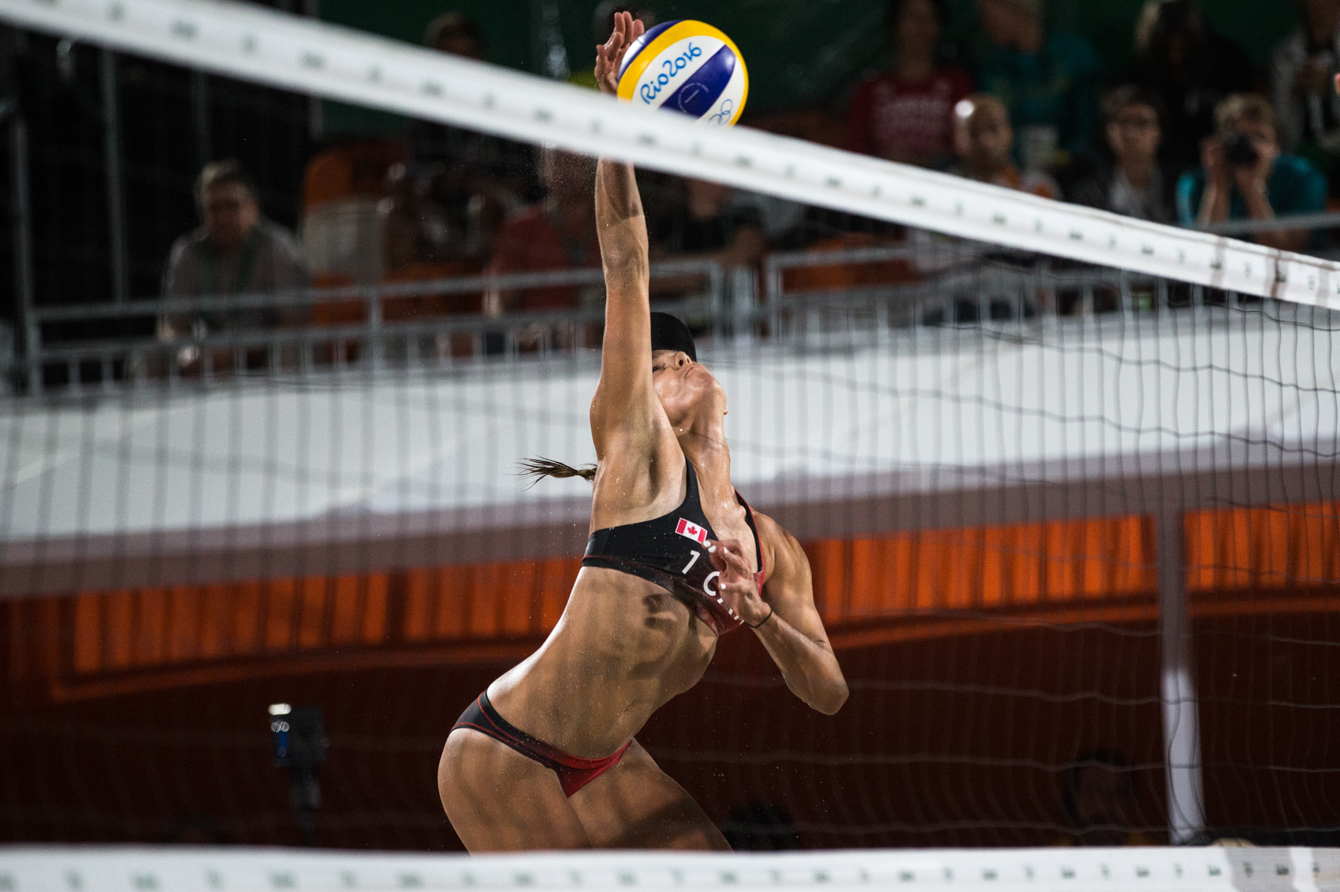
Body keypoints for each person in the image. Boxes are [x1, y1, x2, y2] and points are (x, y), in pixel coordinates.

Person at [437, 13, 849, 851]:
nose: (662, 371)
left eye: (672, 359)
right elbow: (625, 259)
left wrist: (762, 618)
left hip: (606, 758)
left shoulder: (770, 545)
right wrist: (617, 121)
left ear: (704, 375)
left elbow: (830, 693)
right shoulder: (638, 454)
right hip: (507, 750)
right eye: (649, 365)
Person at [160, 160, 309, 369]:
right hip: (207, 354)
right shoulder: (187, 251)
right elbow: (172, 324)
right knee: (145, 358)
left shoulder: (278, 247)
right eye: (213, 208)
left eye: (232, 206)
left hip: (263, 352)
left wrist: (236, 354)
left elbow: (293, 321)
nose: (222, 217)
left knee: (288, 349)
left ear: (254, 208)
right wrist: (185, 354)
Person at [1177, 93, 1328, 253]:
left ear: (1277, 146)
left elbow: (1286, 250)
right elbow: (1202, 254)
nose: (1248, 146)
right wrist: (1217, 185)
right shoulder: (1194, 181)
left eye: (1259, 137)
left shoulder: (1303, 177)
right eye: (1239, 138)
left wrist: (1253, 189)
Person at [1131, 0, 1257, 174]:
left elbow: (1250, 121)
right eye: (1168, 45)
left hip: (1226, 166)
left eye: (1183, 42)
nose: (1176, 54)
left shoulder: (1230, 63)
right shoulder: (1141, 74)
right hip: (1161, 171)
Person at [975, 0, 1103, 171]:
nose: (985, 24)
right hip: (1009, 174)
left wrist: (1061, 160)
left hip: (1072, 171)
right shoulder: (993, 70)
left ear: (1015, 8)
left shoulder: (1074, 56)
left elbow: (1087, 130)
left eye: (987, 14)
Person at [846, 0, 973, 169]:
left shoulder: (957, 85)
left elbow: (970, 151)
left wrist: (925, 163)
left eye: (929, 17)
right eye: (912, 16)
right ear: (895, 24)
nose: (921, 25)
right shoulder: (870, 91)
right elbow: (855, 153)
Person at [1058, 85, 1176, 223]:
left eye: (1142, 123)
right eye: (1123, 122)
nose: (1131, 133)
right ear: (1109, 132)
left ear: (1159, 132)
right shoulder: (1089, 194)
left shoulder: (1182, 187)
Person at [1272, 0, 1340, 196]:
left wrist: (1330, 88)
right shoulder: (1285, 53)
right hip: (1304, 156)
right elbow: (1281, 126)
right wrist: (1295, 92)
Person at [950, 93, 1059, 197]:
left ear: (1009, 133)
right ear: (957, 138)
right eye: (973, 132)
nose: (985, 141)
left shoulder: (1037, 189)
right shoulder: (948, 187)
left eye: (993, 129)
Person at [1057, 750, 1159, 847]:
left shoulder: (1154, 854)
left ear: (1131, 802)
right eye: (1092, 793)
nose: (1103, 805)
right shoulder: (1053, 854)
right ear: (1074, 800)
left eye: (1116, 793)